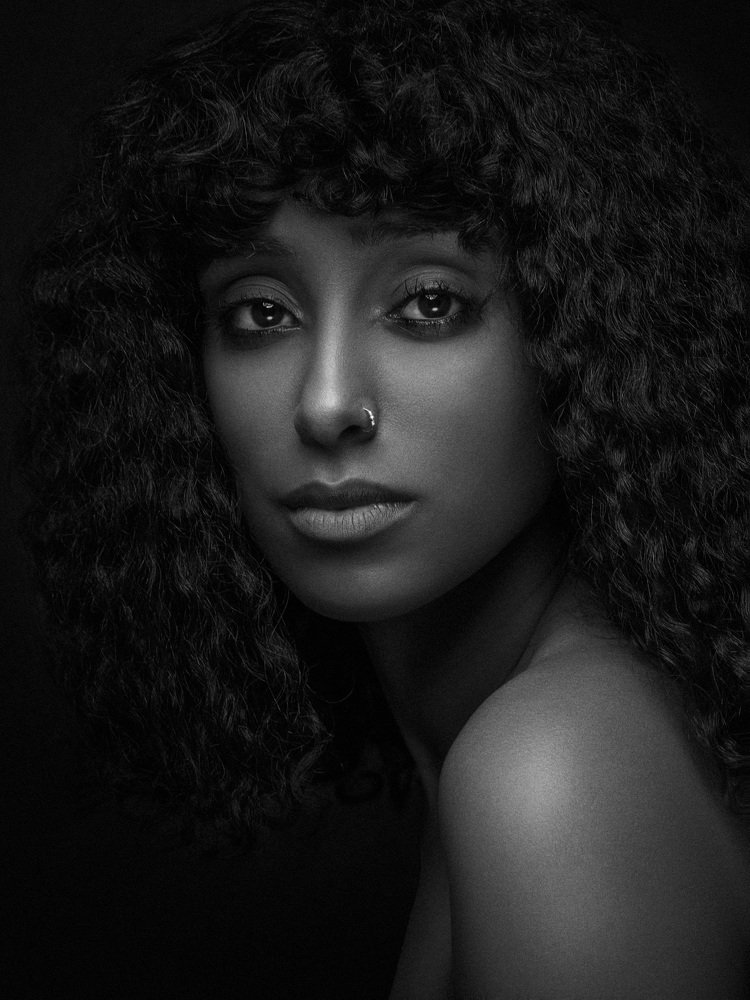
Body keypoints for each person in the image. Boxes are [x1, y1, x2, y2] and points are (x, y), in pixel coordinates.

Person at [18, 0, 750, 995]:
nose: (326, 404)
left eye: (429, 303)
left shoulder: (555, 770)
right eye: (261, 312)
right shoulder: (538, 730)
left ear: (587, 333)